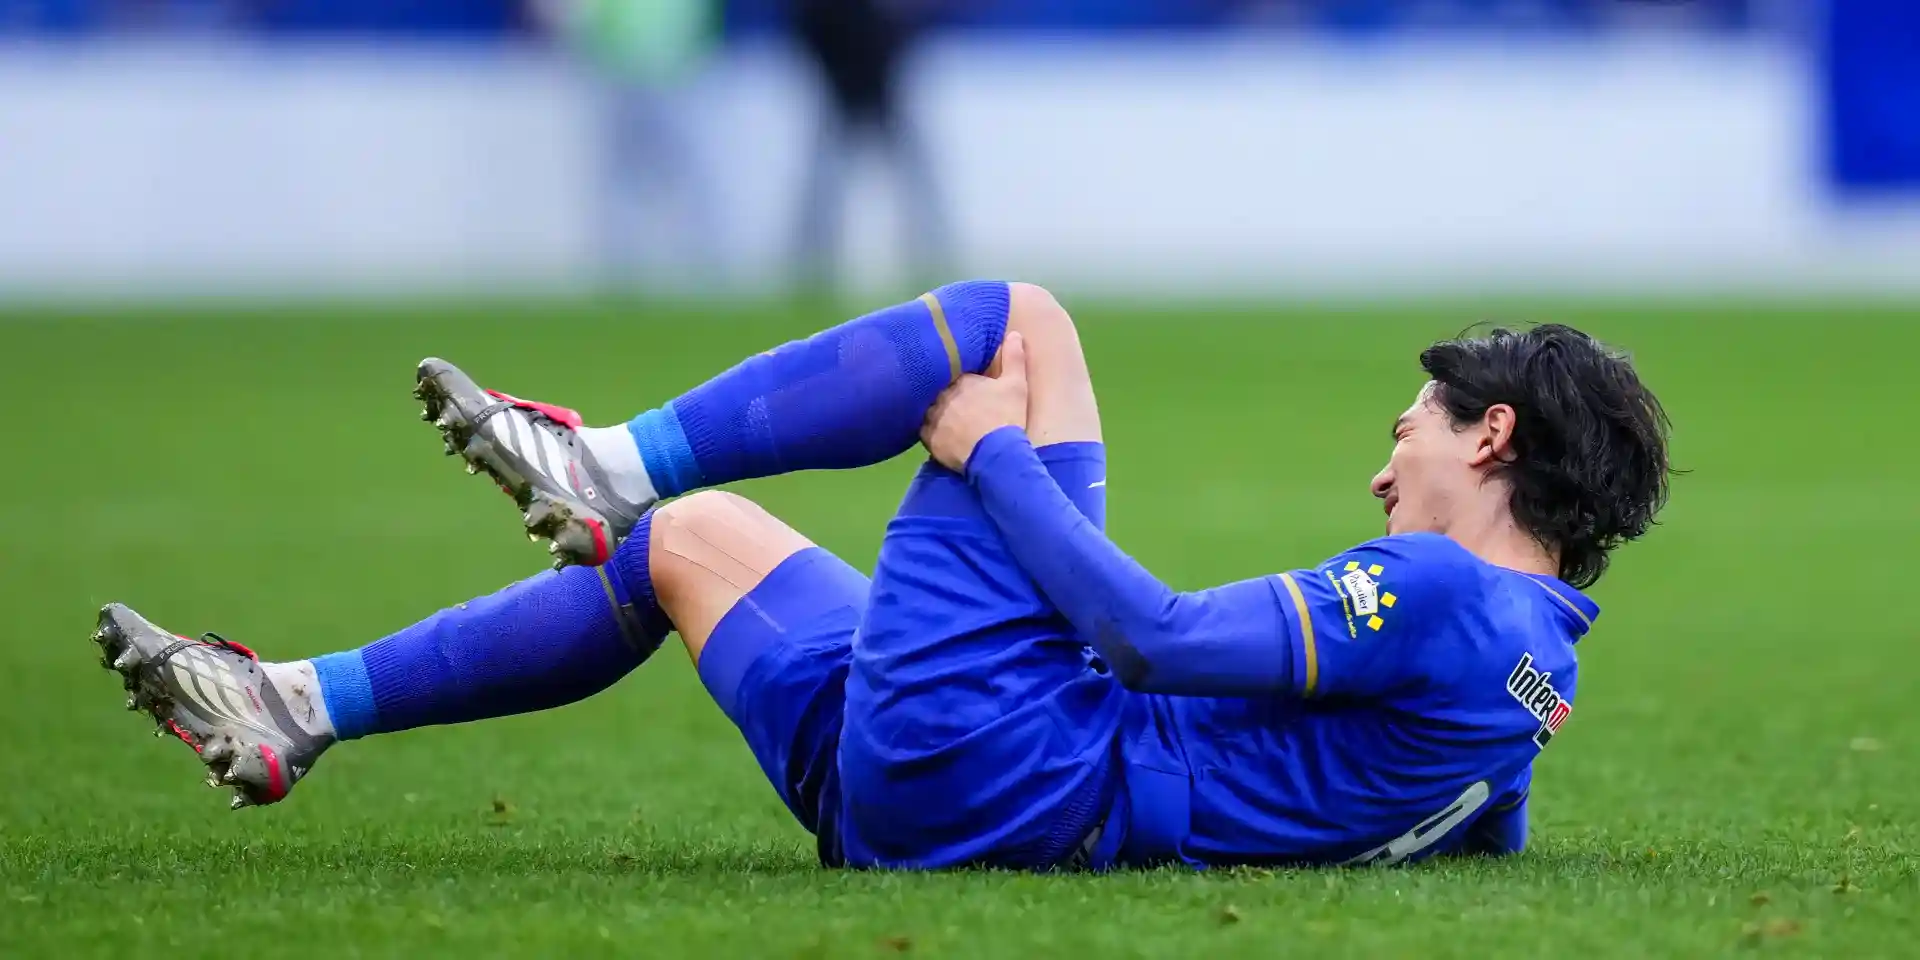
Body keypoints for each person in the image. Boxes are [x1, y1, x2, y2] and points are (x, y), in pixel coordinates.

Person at [92, 281, 1672, 869]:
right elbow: (1485, 805)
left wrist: (987, 452)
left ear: (1496, 437)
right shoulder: (1541, 669)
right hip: (944, 786)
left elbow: (1158, 636)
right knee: (685, 554)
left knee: (1014, 327)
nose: (1384, 463)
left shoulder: (1456, 600)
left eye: (1409, 429)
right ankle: (291, 705)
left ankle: (611, 453)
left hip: (1019, 768)